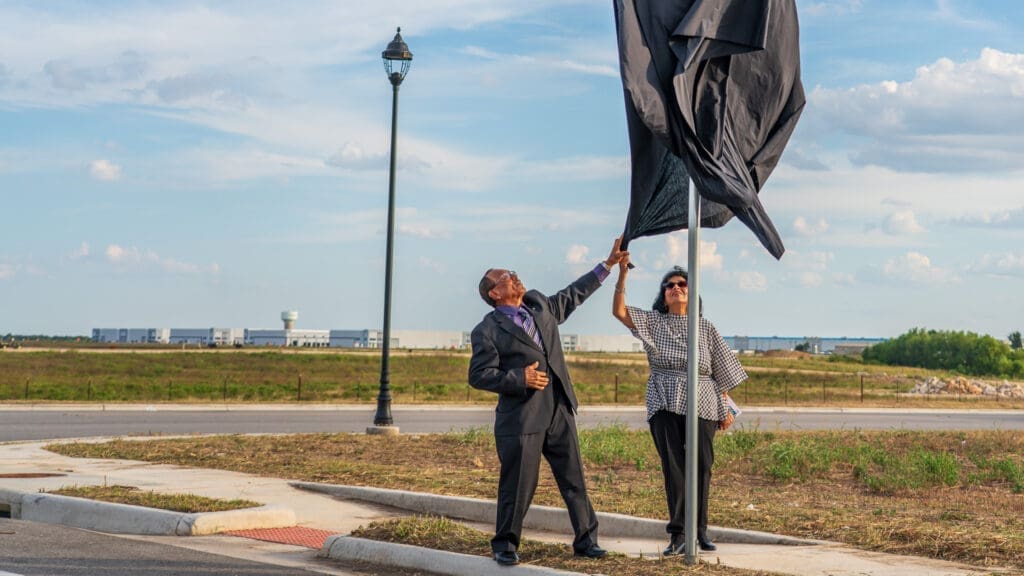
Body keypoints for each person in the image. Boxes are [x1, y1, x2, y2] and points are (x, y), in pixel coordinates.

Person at [469, 237, 628, 566]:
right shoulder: (487, 330)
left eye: (513, 273)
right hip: (522, 418)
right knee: (518, 486)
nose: (514, 277)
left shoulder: (539, 304)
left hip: (558, 409)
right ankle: (505, 544)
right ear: (494, 294)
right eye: (506, 277)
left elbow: (573, 295)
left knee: (574, 480)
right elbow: (479, 375)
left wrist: (608, 264)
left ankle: (586, 540)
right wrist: (518, 379)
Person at [611, 259, 747, 555]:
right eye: (669, 285)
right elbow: (619, 311)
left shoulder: (705, 327)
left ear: (691, 291)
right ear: (663, 294)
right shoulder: (654, 321)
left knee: (701, 467)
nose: (675, 288)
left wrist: (726, 407)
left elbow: (721, 370)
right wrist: (622, 274)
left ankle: (700, 530)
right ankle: (678, 534)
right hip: (663, 396)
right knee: (674, 469)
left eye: (682, 284)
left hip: (704, 399)